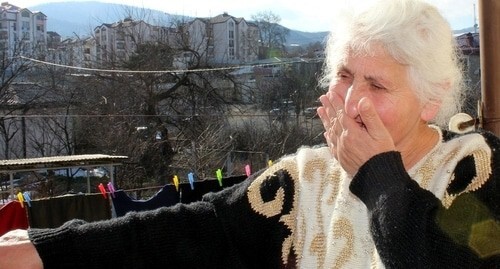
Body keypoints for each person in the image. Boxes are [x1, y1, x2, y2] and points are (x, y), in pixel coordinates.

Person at [1, 0, 499, 268]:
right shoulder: (305, 179)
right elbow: (193, 229)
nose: (351, 102)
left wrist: (377, 177)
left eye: (378, 83)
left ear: (432, 98)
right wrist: (46, 247)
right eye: (345, 75)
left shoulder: (474, 170)